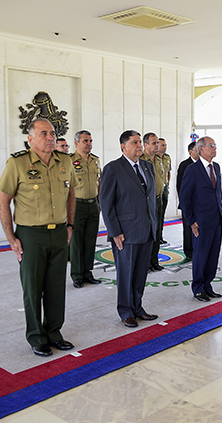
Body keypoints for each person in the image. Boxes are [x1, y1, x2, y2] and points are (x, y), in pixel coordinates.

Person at [0, 118, 76, 357]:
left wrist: (70, 225)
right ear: (30, 139)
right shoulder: (17, 163)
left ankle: (54, 333)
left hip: (59, 232)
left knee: (55, 286)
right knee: (33, 288)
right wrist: (11, 238)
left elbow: (71, 194)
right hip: (31, 235)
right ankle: (36, 336)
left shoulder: (65, 161)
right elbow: (3, 201)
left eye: (52, 133)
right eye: (44, 134)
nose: (50, 137)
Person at [99, 130, 159, 328]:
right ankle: (125, 311)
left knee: (141, 273)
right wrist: (114, 231)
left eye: (140, 143)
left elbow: (150, 199)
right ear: (123, 146)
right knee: (126, 273)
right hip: (125, 232)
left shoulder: (148, 167)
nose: (139, 146)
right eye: (134, 143)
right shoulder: (113, 168)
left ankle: (137, 307)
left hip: (147, 229)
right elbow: (106, 204)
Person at [179, 137, 222, 301]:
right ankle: (198, 287)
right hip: (201, 220)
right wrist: (191, 221)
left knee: (213, 255)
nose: (214, 148)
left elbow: (218, 193)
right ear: (200, 149)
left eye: (215, 145)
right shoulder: (192, 170)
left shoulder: (216, 167)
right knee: (200, 255)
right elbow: (185, 198)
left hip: (216, 218)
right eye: (211, 146)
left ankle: (208, 285)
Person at [69, 130, 103, 288]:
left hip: (93, 205)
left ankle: (87, 272)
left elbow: (100, 182)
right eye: (85, 141)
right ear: (76, 143)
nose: (89, 144)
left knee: (90, 240)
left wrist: (100, 201)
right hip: (77, 205)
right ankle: (77, 274)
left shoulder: (95, 160)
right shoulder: (69, 161)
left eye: (90, 141)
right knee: (76, 242)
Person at [140, 133, 165, 271]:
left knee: (157, 230)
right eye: (154, 143)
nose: (157, 146)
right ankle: (146, 262)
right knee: (147, 233)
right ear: (146, 145)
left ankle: (154, 260)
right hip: (146, 202)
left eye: (158, 143)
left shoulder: (159, 159)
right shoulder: (141, 159)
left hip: (158, 199)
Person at [176, 141, 199, 260]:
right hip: (188, 203)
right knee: (188, 227)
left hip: (199, 204)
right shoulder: (184, 165)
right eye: (196, 149)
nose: (199, 151)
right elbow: (180, 185)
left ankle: (197, 249)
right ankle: (189, 251)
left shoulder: (201, 164)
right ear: (190, 151)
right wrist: (185, 202)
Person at [157, 138, 171, 244]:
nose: (164, 147)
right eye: (162, 145)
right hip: (155, 189)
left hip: (164, 187)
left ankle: (160, 236)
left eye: (165, 145)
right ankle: (156, 237)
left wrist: (167, 185)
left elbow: (168, 172)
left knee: (162, 214)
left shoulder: (167, 158)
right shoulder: (152, 158)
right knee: (155, 214)